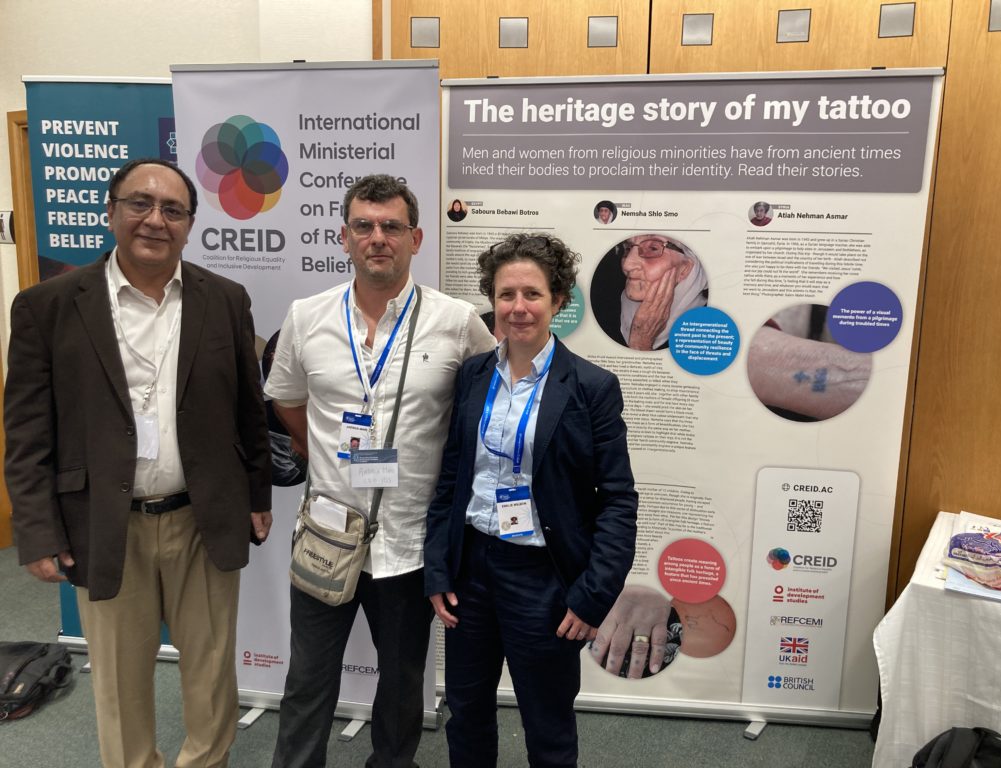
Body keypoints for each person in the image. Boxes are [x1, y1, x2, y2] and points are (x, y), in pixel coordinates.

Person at [4, 157, 273, 768]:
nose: (155, 220)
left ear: (190, 224)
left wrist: (258, 494)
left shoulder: (224, 299)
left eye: (173, 210)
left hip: (202, 518)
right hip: (104, 523)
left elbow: (247, 409)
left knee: (211, 672)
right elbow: (26, 429)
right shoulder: (48, 306)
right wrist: (37, 529)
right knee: (120, 681)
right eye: (140, 204)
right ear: (111, 212)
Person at [265, 174, 494, 768]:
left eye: (392, 226)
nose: (377, 238)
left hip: (411, 542)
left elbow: (490, 406)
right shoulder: (307, 316)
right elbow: (286, 399)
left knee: (402, 683)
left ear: (415, 238)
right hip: (328, 534)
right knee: (307, 680)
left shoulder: (458, 321)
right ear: (343, 236)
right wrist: (320, 454)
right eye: (363, 226)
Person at [424, 233, 638, 767]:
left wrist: (593, 595)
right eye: (506, 294)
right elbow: (451, 478)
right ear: (492, 300)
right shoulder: (473, 375)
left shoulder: (591, 387)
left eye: (532, 294)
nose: (518, 307)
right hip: (471, 571)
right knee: (466, 713)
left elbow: (617, 500)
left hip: (543, 579)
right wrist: (439, 568)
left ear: (558, 300)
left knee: (547, 724)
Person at [594, 234, 708, 351]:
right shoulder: (604, 306)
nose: (627, 265)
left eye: (653, 249)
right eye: (628, 248)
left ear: (685, 269)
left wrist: (641, 342)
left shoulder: (704, 331)